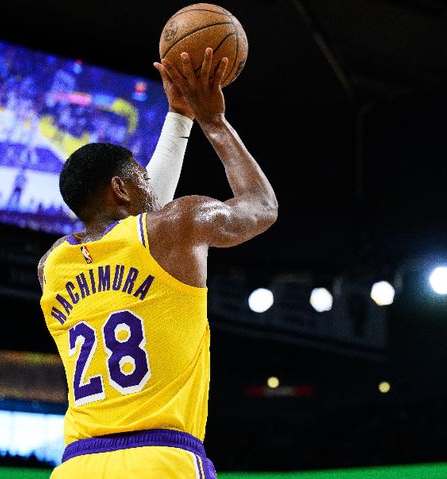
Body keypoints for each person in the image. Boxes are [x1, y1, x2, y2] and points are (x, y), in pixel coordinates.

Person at [38, 48, 278, 478]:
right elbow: (262, 206)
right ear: (121, 189)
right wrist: (213, 121)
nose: (151, 183)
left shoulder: (52, 266)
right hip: (160, 458)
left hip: (76, 465)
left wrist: (179, 117)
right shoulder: (179, 226)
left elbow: (138, 223)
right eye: (142, 177)